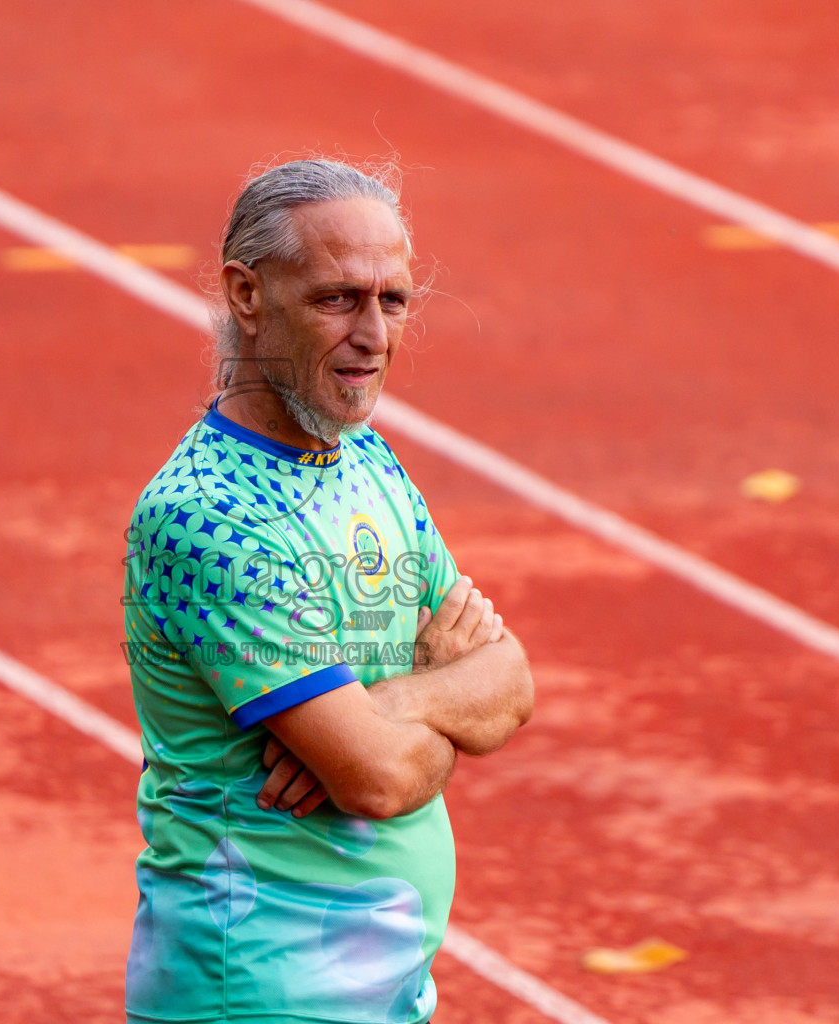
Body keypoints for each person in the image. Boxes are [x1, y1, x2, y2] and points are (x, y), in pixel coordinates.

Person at [122, 158, 535, 1024]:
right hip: (257, 991)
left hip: (380, 993)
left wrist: (383, 703)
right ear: (246, 294)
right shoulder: (209, 518)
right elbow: (379, 782)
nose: (374, 335)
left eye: (393, 301)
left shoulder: (366, 460)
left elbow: (511, 684)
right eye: (337, 299)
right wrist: (430, 709)